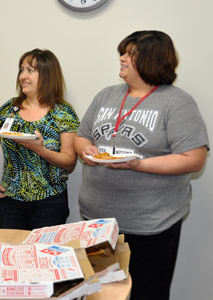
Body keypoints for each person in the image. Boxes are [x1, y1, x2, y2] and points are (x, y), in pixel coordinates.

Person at [74, 30, 209, 300]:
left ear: (152, 59)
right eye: (122, 53)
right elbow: (81, 136)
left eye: (129, 53)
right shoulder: (106, 95)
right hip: (99, 225)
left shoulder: (177, 102)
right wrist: (85, 148)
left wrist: (138, 164)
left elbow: (194, 159)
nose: (121, 58)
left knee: (144, 294)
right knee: (101, 294)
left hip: (150, 228)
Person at [0, 49, 79, 230]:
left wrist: (41, 150)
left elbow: (69, 161)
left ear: (48, 75)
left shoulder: (62, 112)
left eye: (30, 70)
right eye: (21, 69)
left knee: (44, 256)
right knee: (9, 254)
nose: (22, 76)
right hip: (9, 201)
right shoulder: (9, 109)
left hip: (50, 203)